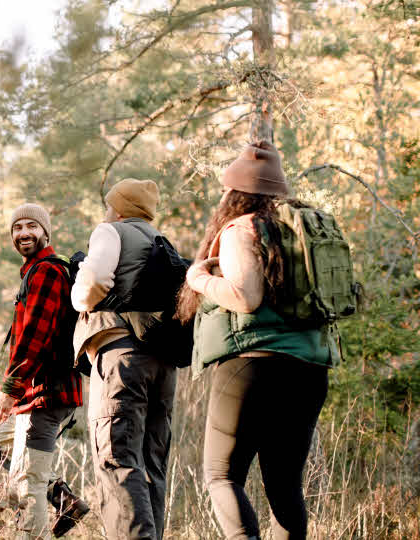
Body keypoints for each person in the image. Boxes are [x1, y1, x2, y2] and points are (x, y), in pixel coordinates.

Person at [177, 141, 338, 540]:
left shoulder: (243, 228)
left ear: (235, 192)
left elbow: (245, 298)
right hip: (310, 368)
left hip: (252, 367)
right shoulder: (299, 229)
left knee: (221, 475)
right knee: (284, 484)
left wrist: (198, 278)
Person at [70, 178, 177, 540]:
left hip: (121, 357)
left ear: (119, 208)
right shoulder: (161, 241)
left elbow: (93, 283)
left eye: (109, 204)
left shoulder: (111, 231)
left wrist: (78, 295)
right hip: (162, 363)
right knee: (152, 465)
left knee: (117, 457)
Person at [0, 204, 87, 539]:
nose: (23, 233)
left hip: (45, 391)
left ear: (45, 232)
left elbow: (34, 338)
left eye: (32, 226)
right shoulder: (35, 272)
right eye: (17, 228)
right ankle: (65, 500)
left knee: (28, 486)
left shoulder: (46, 272)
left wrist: (9, 389)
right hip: (39, 392)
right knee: (3, 446)